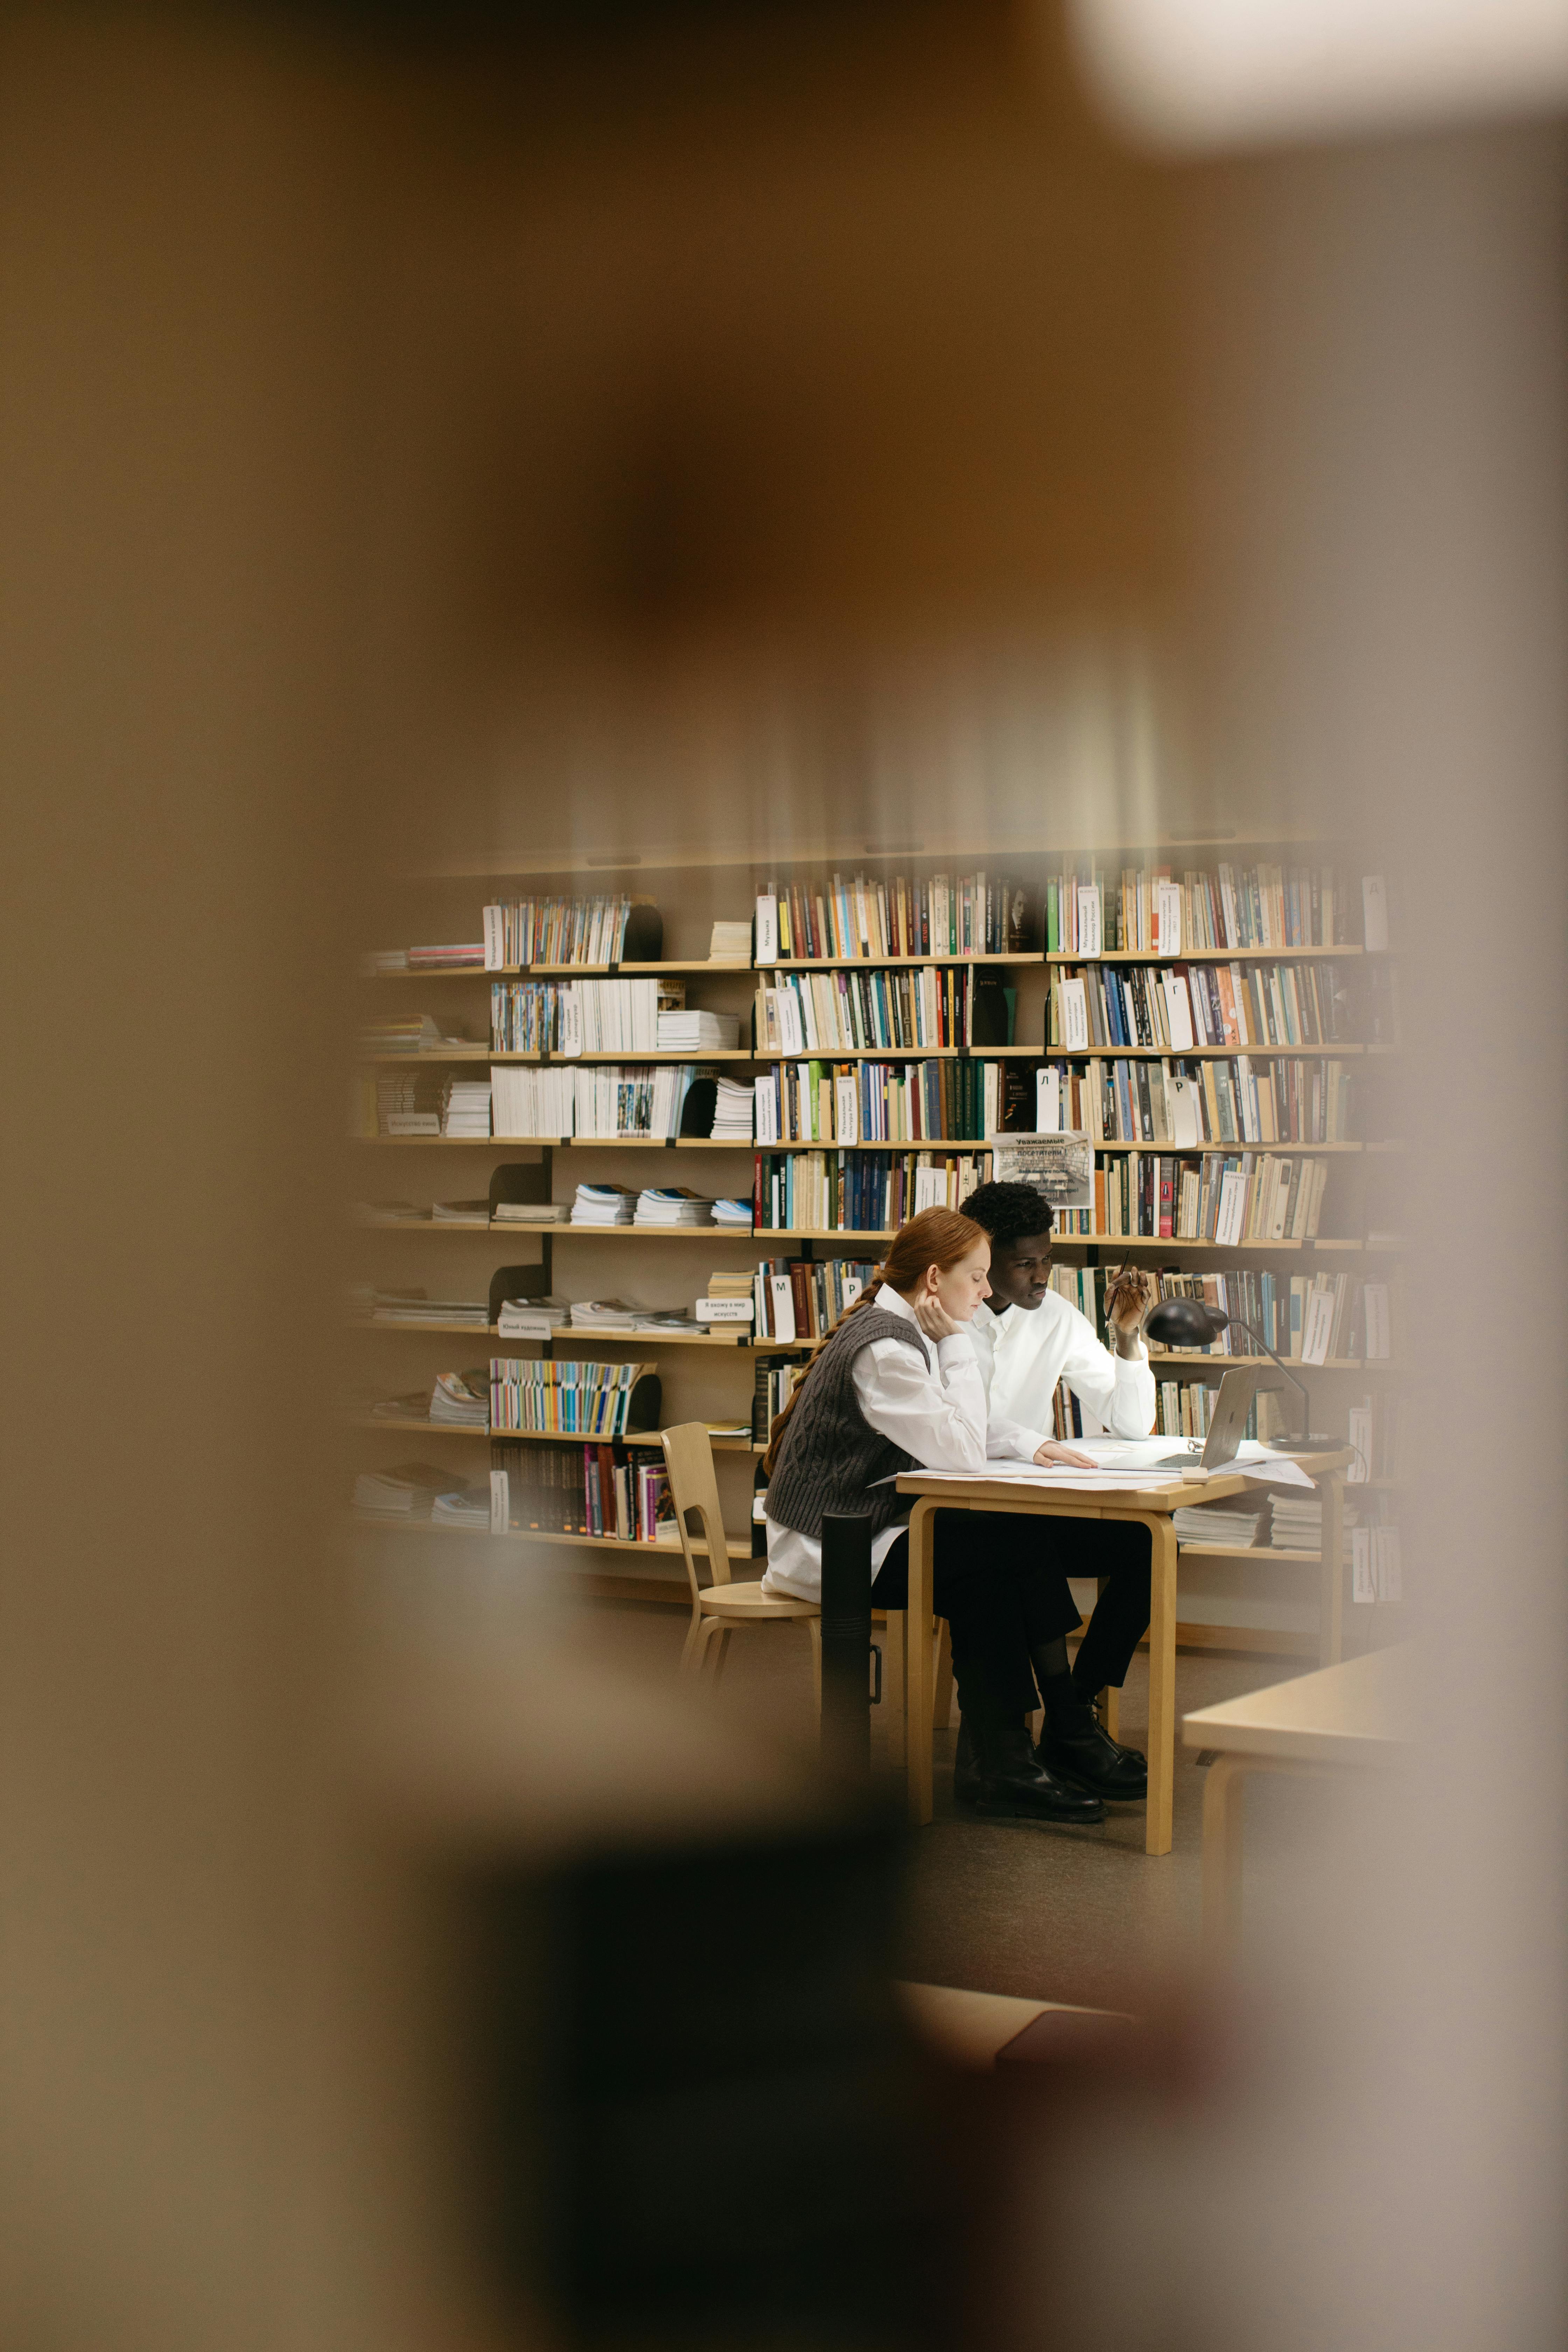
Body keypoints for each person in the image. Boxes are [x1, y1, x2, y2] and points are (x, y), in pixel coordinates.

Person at [760, 1205, 1107, 1827]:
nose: (984, 1290)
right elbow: (964, 1449)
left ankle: (1012, 1757)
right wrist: (956, 1345)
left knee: (1000, 1559)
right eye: (975, 1277)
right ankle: (1043, 1741)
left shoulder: (899, 1329)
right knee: (1001, 1551)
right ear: (933, 1281)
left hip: (865, 1525)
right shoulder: (888, 1349)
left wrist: (1032, 1444)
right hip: (831, 1546)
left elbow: (955, 1421)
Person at [957, 1180, 1158, 1802]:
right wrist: (1025, 1442)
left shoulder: (1056, 1315)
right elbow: (954, 1431)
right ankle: (1063, 1730)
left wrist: (1128, 1338)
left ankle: (1078, 1707)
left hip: (1029, 1510)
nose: (1042, 1275)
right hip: (964, 1512)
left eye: (1048, 1259)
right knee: (1019, 1543)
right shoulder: (944, 1317)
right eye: (1026, 1263)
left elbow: (1131, 1423)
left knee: (1145, 1545)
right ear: (984, 1259)